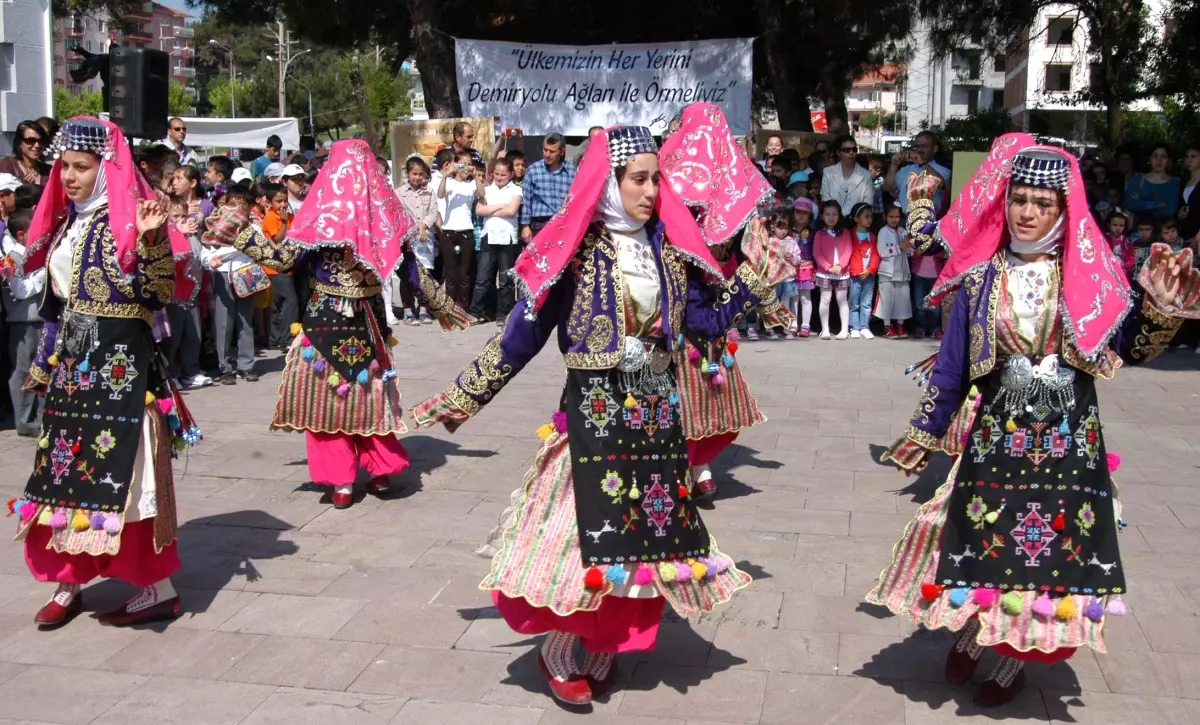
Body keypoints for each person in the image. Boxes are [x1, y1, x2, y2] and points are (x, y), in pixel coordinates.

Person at [412, 125, 790, 705]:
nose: (650, 191)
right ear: (610, 184)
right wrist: (468, 392)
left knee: (642, 536)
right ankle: (561, 644)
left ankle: (605, 643)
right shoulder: (578, 248)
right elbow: (525, 331)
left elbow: (705, 325)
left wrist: (753, 283)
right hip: (594, 415)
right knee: (578, 536)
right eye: (638, 179)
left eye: (656, 179)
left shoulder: (668, 250)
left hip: (658, 416)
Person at [869, 134, 1200, 706]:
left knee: (1053, 557)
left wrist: (1162, 311)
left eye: (1042, 204)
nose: (1027, 213)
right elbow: (951, 367)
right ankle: (977, 629)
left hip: (1070, 448)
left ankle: (1012, 659)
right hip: (998, 441)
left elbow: (1133, 345)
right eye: (1019, 199)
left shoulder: (1094, 278)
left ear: (1065, 210)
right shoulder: (980, 280)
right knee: (986, 541)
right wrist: (923, 431)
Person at [10, 116, 201, 629]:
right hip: (73, 375)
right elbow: (57, 304)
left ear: (104, 168)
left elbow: (161, 294)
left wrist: (152, 240)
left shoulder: (129, 219)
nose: (68, 176)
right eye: (63, 166)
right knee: (63, 474)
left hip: (122, 376)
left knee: (126, 478)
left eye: (80, 166)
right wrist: (47, 361)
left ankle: (157, 589)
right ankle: (67, 582)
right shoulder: (67, 224)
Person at [224, 139, 471, 509]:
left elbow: (283, 258)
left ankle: (341, 480)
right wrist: (445, 308)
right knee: (370, 396)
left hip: (325, 321)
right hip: (368, 322)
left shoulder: (320, 213)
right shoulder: (384, 214)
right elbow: (412, 272)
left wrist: (237, 231)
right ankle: (380, 470)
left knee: (329, 400)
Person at [658, 103, 780, 498]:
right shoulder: (666, 182)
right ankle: (683, 468)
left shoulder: (720, 183)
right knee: (678, 394)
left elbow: (733, 241)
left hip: (706, 291)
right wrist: (749, 281)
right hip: (675, 300)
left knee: (708, 390)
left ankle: (698, 466)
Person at [201, 186, 261, 385]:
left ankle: (246, 365)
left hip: (245, 274)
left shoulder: (254, 227)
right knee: (223, 323)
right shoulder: (215, 225)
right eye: (231, 204)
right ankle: (224, 366)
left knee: (245, 322)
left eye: (240, 204)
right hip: (223, 274)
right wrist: (210, 261)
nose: (235, 208)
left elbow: (253, 248)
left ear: (249, 207)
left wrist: (225, 252)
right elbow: (206, 251)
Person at [1, 208, 44, 436]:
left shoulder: (33, 255)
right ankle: (24, 422)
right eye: (33, 229)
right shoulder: (12, 259)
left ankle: (39, 419)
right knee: (23, 371)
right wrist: (43, 273)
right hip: (23, 323)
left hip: (40, 320)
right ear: (20, 234)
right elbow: (19, 291)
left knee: (40, 370)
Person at [162, 199, 210, 390]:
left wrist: (210, 259)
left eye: (184, 216)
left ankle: (191, 372)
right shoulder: (165, 235)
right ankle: (170, 373)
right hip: (173, 293)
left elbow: (200, 252)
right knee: (173, 337)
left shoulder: (191, 234)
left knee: (193, 334)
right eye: (175, 217)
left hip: (191, 291)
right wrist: (176, 232)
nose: (181, 220)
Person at [470, 157, 523, 328]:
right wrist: (500, 206)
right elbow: (479, 210)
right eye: (497, 174)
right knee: (483, 278)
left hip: (507, 237)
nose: (499, 177)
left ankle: (503, 313)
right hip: (489, 236)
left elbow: (512, 210)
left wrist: (490, 211)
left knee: (506, 278)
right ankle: (475, 312)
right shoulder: (487, 190)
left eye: (503, 174)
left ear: (510, 174)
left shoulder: (516, 190)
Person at [437, 151, 485, 310]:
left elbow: (481, 194)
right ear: (455, 165)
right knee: (450, 273)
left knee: (464, 273)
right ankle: (449, 307)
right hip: (449, 231)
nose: (466, 168)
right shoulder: (450, 182)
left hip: (466, 231)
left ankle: (462, 307)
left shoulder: (471, 184)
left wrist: (476, 175)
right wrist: (446, 175)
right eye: (462, 164)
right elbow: (440, 194)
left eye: (469, 164)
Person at [396, 157, 438, 325]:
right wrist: (416, 226)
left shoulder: (430, 191)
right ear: (408, 173)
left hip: (425, 238)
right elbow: (399, 213)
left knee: (425, 276)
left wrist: (424, 225)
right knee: (407, 275)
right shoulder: (400, 192)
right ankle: (407, 309)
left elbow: (433, 212)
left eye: (421, 174)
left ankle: (423, 308)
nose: (417, 177)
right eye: (414, 174)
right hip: (408, 238)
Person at [260, 182, 299, 350]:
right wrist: (283, 223)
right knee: (290, 301)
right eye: (278, 201)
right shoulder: (271, 218)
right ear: (269, 203)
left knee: (278, 305)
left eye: (285, 200)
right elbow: (278, 239)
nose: (283, 204)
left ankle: (274, 339)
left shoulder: (291, 217)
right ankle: (287, 338)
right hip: (275, 268)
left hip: (288, 265)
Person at [520, 134, 577, 243]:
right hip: (540, 223)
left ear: (562, 151)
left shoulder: (572, 171)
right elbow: (527, 201)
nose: (547, 154)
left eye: (552, 151)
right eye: (545, 150)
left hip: (564, 223)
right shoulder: (533, 170)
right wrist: (525, 226)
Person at [886, 130, 952, 215]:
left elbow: (940, 183)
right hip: (903, 220)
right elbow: (888, 187)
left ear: (934, 149)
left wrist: (922, 163)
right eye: (918, 146)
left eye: (924, 146)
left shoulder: (943, 171)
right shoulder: (906, 169)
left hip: (926, 221)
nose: (920, 149)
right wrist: (893, 165)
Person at [814, 200, 853, 340]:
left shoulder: (846, 233)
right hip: (825, 273)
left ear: (839, 215)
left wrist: (840, 266)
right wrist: (828, 267)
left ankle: (844, 330)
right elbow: (817, 254)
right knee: (825, 299)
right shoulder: (819, 234)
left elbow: (848, 250)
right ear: (822, 216)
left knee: (842, 300)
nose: (831, 217)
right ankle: (825, 329)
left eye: (834, 214)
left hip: (842, 273)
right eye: (828, 214)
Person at [874, 202, 913, 338]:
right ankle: (887, 326)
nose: (894, 219)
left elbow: (910, 253)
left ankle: (900, 325)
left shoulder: (903, 231)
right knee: (887, 299)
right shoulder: (883, 231)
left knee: (903, 298)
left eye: (897, 216)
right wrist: (899, 247)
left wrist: (908, 246)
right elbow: (882, 252)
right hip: (887, 271)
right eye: (891, 216)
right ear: (885, 216)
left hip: (902, 271)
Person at [1126, 143, 1181, 224]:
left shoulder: (1175, 182)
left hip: (1165, 232)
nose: (1159, 160)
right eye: (1155, 156)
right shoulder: (1138, 178)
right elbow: (1130, 204)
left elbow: (1169, 210)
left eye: (1163, 156)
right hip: (1140, 232)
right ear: (1150, 158)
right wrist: (1158, 204)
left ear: (1168, 160)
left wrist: (1141, 202)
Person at [847, 202, 880, 339]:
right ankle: (854, 327)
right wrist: (858, 270)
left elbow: (877, 255)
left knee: (866, 303)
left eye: (871, 217)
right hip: (855, 274)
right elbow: (849, 253)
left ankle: (864, 326)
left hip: (869, 275)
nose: (870, 219)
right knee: (853, 302)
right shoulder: (849, 235)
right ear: (856, 219)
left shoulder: (873, 237)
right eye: (866, 216)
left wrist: (870, 269)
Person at [821, 135, 873, 216]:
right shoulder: (828, 172)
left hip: (856, 222)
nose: (851, 153)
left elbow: (867, 204)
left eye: (854, 149)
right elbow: (825, 198)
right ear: (838, 153)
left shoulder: (867, 175)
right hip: (833, 220)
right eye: (847, 150)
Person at [792, 197, 817, 337]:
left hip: (807, 267)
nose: (801, 215)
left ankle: (806, 325)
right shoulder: (788, 230)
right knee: (793, 297)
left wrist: (817, 269)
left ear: (810, 215)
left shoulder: (813, 232)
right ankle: (794, 323)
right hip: (791, 269)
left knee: (805, 298)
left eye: (805, 213)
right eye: (798, 212)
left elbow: (817, 251)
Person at [0, 120, 51, 185]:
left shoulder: (48, 171)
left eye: (41, 141)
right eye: (31, 140)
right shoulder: (7, 165)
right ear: (19, 142)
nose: (37, 145)